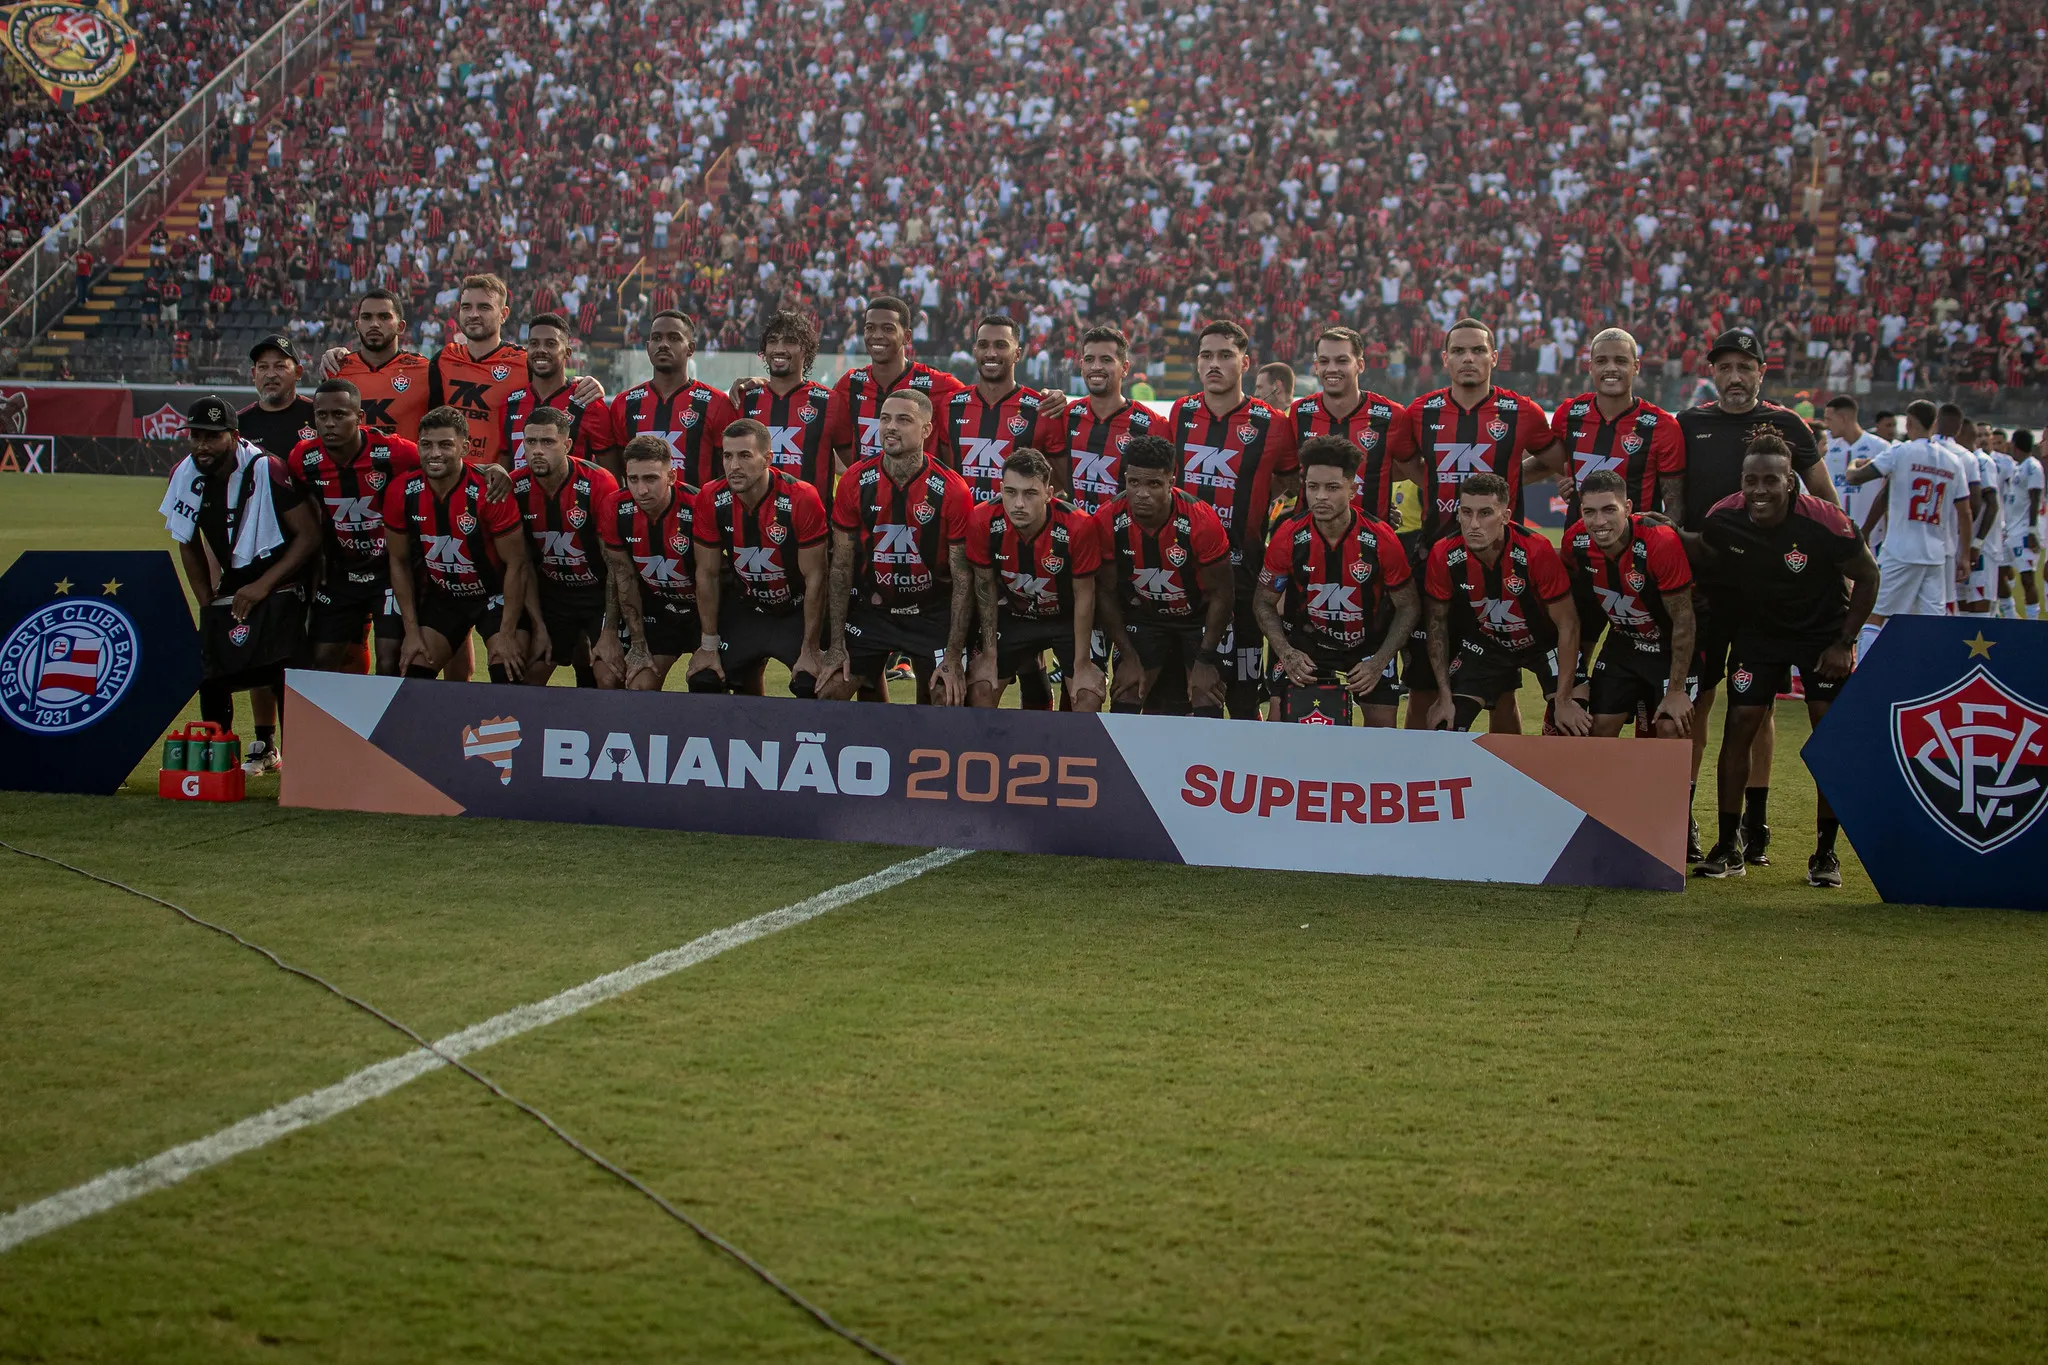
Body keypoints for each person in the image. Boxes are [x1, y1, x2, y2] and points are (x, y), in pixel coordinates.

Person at [1673, 328, 1838, 865]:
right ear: (1712, 372)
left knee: (1757, 706)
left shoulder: (1788, 425)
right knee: (1696, 700)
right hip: (1704, 590)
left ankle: (1754, 823)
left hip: (1766, 594)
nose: (1735, 377)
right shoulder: (1689, 423)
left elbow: (1825, 498)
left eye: (1745, 367)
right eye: (1725, 367)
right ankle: (1684, 817)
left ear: (1762, 372)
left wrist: (1839, 568)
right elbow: (1669, 496)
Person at [1695, 433, 1879, 886]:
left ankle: (1825, 853)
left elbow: (1868, 576)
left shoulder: (1827, 521)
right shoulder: (1723, 517)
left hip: (1821, 637)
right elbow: (1704, 556)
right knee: (1739, 725)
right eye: (1751, 480)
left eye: (1770, 480)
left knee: (1826, 735)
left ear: (1791, 481)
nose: (1759, 490)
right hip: (1759, 636)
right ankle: (1728, 845)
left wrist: (1845, 642)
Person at [1398, 318, 1563, 733]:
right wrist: (1434, 483)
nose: (1468, 358)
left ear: (1494, 357)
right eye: (1458, 351)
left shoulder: (1522, 411)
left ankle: (1501, 770)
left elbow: (1554, 460)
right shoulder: (1420, 412)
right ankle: (1418, 768)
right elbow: (1404, 461)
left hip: (1498, 570)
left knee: (1501, 692)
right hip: (1435, 561)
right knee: (1422, 689)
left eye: (1477, 350)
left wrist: (1512, 481)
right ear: (1445, 359)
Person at [162, 396, 321, 771]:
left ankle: (300, 765)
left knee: (282, 669)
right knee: (211, 673)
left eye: (212, 437)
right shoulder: (183, 474)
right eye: (196, 436)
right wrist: (205, 598)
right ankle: (218, 761)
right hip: (233, 582)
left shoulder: (268, 469)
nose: (202, 446)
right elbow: (186, 540)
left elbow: (309, 536)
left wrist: (264, 585)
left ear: (234, 436)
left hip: (283, 580)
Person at [1169, 319, 1300, 719]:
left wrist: (1255, 502)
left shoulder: (1272, 422)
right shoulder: (1180, 411)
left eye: (1225, 355)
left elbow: (1289, 480)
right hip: (1184, 573)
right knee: (1183, 694)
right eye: (1206, 355)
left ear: (1244, 362)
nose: (1214, 364)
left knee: (1243, 697)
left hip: (1242, 571)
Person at [817, 389, 974, 704]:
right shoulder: (854, 481)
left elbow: (962, 578)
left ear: (926, 430)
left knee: (945, 696)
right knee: (828, 690)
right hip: (873, 611)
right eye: (885, 419)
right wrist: (836, 645)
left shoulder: (952, 489)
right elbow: (841, 566)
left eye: (904, 420)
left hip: (931, 614)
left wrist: (954, 655)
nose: (891, 427)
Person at [1255, 436, 1419, 726]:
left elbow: (1408, 606)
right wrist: (1287, 653)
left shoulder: (1381, 538)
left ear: (1352, 490)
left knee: (1383, 733)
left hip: (1368, 646)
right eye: (1313, 487)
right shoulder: (1288, 536)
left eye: (1332, 488)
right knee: (1280, 725)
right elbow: (1263, 602)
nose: (1320, 497)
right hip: (1308, 645)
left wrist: (1379, 661)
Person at [1421, 473, 1588, 735]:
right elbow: (1436, 626)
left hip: (1544, 645)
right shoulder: (1444, 553)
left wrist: (1564, 700)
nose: (1474, 524)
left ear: (1506, 516)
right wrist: (1444, 695)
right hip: (1486, 645)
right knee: (1445, 727)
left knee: (1573, 726)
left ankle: (1553, 725)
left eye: (1485, 513)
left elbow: (1568, 624)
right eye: (1466, 512)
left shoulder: (1536, 549)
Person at [380, 407, 532, 681]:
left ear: (465, 447)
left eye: (445, 445)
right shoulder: (401, 490)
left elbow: (517, 564)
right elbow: (398, 562)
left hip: (493, 596)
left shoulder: (490, 490)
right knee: (413, 670)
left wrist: (507, 634)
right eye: (426, 445)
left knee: (507, 669)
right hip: (444, 598)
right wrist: (412, 633)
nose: (434, 453)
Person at [1092, 433, 1234, 716]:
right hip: (1144, 618)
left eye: (1154, 484)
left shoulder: (1201, 520)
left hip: (1198, 619)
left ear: (1171, 481)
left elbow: (1222, 593)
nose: (1142, 493)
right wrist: (1128, 656)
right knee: (1127, 692)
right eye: (1134, 483)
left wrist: (1205, 660)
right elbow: (1105, 592)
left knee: (1206, 695)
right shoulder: (1107, 519)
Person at [289, 378, 420, 678]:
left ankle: (390, 712)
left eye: (339, 414)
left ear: (359, 417)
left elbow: (444, 464)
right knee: (321, 660)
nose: (329, 423)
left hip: (389, 574)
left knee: (390, 659)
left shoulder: (394, 451)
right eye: (322, 415)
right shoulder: (302, 458)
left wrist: (489, 470)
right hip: (339, 576)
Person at [688, 418, 828, 696]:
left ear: (767, 459)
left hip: (797, 610)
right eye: (727, 456)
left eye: (744, 456)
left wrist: (810, 648)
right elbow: (707, 573)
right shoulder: (710, 496)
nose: (733, 466)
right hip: (748, 608)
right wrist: (708, 645)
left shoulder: (801, 497)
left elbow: (816, 577)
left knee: (813, 685)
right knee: (704, 680)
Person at [963, 447, 1107, 710]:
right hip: (1014, 617)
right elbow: (985, 587)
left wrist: (1083, 664)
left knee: (1087, 697)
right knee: (981, 689)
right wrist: (989, 655)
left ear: (1048, 494)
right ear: (1000, 489)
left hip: (1068, 619)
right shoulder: (982, 519)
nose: (1019, 503)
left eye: (1030, 493)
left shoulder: (1078, 526)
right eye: (1011, 492)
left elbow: (1084, 595)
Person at [1557, 469, 1697, 739]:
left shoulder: (1660, 541)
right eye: (1590, 512)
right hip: (1625, 642)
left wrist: (1676, 691)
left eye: (1609, 510)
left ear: (1628, 508)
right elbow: (1579, 612)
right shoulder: (1575, 543)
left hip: (1670, 646)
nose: (1599, 522)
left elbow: (1684, 620)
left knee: (1671, 726)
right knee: (1594, 726)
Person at [1843, 401, 1973, 656]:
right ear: (1934, 423)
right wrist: (1965, 556)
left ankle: (1866, 670)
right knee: (1931, 621)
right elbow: (1965, 512)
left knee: (1876, 614)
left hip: (1900, 550)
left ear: (1909, 422)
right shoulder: (1953, 461)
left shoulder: (1900, 452)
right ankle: (1929, 672)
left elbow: (1855, 478)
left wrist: (1853, 464)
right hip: (1935, 554)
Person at [1527, 327, 1685, 526]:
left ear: (1636, 367)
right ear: (1591, 367)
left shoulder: (1662, 426)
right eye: (1601, 361)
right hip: (1578, 540)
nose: (1611, 368)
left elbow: (1675, 504)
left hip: (1637, 542)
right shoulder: (1569, 413)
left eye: (1620, 361)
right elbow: (1549, 462)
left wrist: (1658, 535)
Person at [511, 406, 621, 687]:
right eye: (531, 441)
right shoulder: (515, 486)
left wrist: (609, 630)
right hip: (553, 596)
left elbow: (615, 565)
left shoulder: (599, 482)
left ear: (567, 444)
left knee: (608, 677)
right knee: (526, 676)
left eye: (548, 442)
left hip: (599, 594)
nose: (537, 450)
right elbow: (522, 564)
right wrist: (538, 626)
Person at [594, 434, 697, 690]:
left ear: (671, 476)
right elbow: (622, 576)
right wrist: (637, 644)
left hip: (705, 610)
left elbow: (714, 578)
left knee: (707, 679)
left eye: (651, 479)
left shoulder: (699, 506)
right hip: (659, 609)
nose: (641, 490)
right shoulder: (615, 507)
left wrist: (709, 641)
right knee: (633, 683)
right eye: (633, 479)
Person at [1289, 326, 1415, 524]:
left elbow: (1411, 468)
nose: (1332, 369)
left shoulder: (1392, 415)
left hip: (1372, 536)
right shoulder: (1299, 412)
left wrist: (1378, 501)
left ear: (1360, 365)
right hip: (1308, 537)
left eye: (1342, 360)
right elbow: (1285, 472)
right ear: (1316, 366)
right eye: (1324, 361)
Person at [939, 314, 1069, 505]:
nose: (990, 353)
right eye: (983, 345)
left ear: (1017, 354)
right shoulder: (950, 406)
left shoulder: (1042, 408)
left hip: (1017, 522)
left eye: (1001, 345)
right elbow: (946, 472)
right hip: (964, 521)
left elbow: (1060, 482)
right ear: (975, 351)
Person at [824, 295, 966, 469]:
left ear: (907, 337)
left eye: (888, 328)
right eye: (870, 328)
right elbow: (841, 443)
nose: (877, 335)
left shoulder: (941, 385)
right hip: (865, 486)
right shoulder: (849, 384)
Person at [611, 310, 738, 489]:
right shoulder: (624, 403)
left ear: (691, 348)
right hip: (640, 507)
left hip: (699, 506)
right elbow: (617, 471)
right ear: (647, 347)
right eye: (656, 338)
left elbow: (729, 471)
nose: (663, 344)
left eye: (674, 338)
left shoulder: (717, 403)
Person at [733, 310, 837, 506]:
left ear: (806, 350)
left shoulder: (830, 401)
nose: (779, 349)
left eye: (790, 341)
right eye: (772, 341)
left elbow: (849, 462)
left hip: (812, 518)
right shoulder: (744, 399)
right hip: (754, 519)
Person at [500, 313, 620, 473]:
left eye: (551, 344)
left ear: (567, 352)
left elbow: (611, 477)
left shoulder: (588, 401)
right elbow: (504, 473)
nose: (541, 350)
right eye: (534, 343)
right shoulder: (509, 404)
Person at [1064, 324, 1162, 516]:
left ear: (1125, 368)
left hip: (1125, 531)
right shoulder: (1067, 414)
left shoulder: (1152, 424)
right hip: (1077, 530)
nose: (1096, 367)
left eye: (1106, 359)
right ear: (1082, 365)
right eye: (1089, 359)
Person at [328, 289, 431, 438]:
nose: (374, 324)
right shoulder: (336, 369)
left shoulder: (425, 370)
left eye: (384, 317)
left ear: (400, 327)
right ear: (357, 326)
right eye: (366, 317)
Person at [1820, 394, 1888, 539]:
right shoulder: (1826, 446)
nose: (1826, 424)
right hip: (1834, 533)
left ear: (1843, 419)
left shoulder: (1880, 447)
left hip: (1872, 537)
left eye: (1829, 419)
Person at [239, 335, 317, 459]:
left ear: (298, 372)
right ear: (254, 374)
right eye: (263, 367)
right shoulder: (239, 423)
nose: (270, 375)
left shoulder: (317, 415)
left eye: (280, 366)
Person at [2008, 430, 2044, 619]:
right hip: (2010, 531)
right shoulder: (2018, 466)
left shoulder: (2032, 466)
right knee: (2000, 573)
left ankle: (2033, 622)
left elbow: (2035, 497)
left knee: (2027, 578)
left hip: (2023, 532)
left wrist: (2031, 530)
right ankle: (2010, 616)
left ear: (2015, 445)